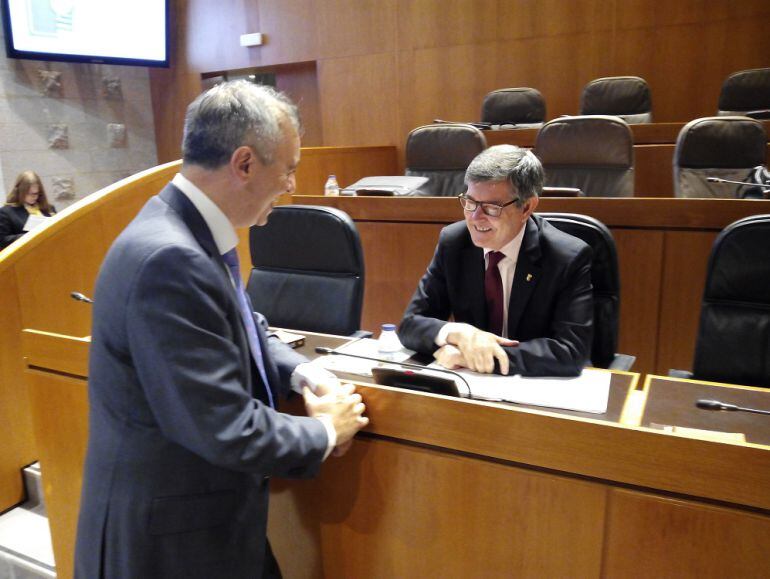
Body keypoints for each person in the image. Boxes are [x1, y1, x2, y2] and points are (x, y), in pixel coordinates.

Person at [74, 81, 368, 578]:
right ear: (246, 163)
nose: (292, 185)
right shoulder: (171, 258)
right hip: (168, 544)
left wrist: (307, 376)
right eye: (289, 168)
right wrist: (323, 430)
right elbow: (223, 426)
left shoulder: (179, 230)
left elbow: (245, 327)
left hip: (201, 527)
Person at [399, 145, 593, 377]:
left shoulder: (567, 257)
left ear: (527, 207)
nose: (474, 217)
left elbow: (570, 351)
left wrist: (481, 356)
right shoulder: (454, 243)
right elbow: (410, 324)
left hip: (533, 387)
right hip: (470, 387)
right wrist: (456, 333)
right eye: (469, 202)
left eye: (491, 207)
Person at [0, 171, 55, 250]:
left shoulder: (49, 209)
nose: (33, 197)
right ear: (19, 191)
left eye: (36, 193)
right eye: (28, 193)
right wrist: (29, 235)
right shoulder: (6, 213)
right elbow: (2, 241)